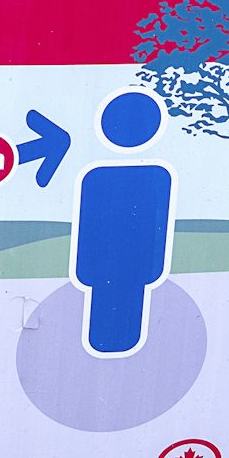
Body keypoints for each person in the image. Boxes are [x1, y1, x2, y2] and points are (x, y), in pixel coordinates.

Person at [71, 89, 174, 356]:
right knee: (118, 323)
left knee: (115, 325)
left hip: (112, 270)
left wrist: (88, 271)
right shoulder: (157, 177)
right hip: (131, 270)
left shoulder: (96, 177)